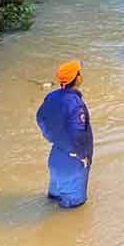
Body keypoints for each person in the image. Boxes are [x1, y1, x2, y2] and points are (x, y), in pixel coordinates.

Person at [36, 61, 93, 208]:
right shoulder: (75, 104)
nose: (81, 75)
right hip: (73, 163)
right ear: (76, 78)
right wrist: (82, 156)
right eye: (79, 73)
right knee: (72, 211)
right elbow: (77, 134)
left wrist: (51, 137)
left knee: (52, 201)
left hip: (56, 156)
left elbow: (40, 117)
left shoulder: (52, 97)